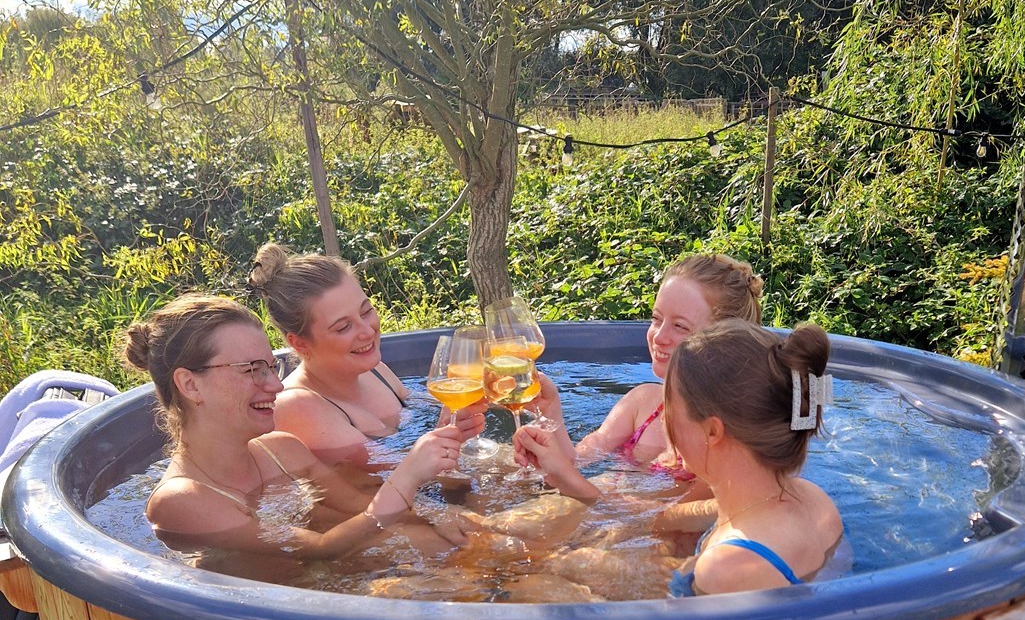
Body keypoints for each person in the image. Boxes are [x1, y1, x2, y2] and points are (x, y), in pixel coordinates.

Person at [124, 294, 467, 557]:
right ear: (190, 385)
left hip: (332, 584)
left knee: (474, 540)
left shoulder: (282, 450)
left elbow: (361, 505)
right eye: (252, 369)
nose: (275, 385)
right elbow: (321, 549)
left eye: (271, 368)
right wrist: (409, 474)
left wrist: (438, 512)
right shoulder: (181, 500)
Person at [519, 319, 844, 594]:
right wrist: (566, 480)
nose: (663, 420)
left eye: (672, 407)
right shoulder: (810, 498)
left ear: (712, 431)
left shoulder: (726, 567)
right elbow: (663, 518)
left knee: (529, 587)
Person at [249, 242, 483, 467]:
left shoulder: (373, 370)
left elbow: (430, 411)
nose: (367, 331)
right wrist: (445, 437)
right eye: (343, 327)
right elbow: (394, 475)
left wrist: (484, 399)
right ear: (299, 343)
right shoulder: (296, 406)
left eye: (366, 311)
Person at [531, 252, 764, 477]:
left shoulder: (724, 435)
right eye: (656, 319)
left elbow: (685, 507)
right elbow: (576, 461)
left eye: (680, 326)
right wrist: (551, 412)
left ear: (726, 342)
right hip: (603, 498)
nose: (659, 337)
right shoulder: (643, 403)